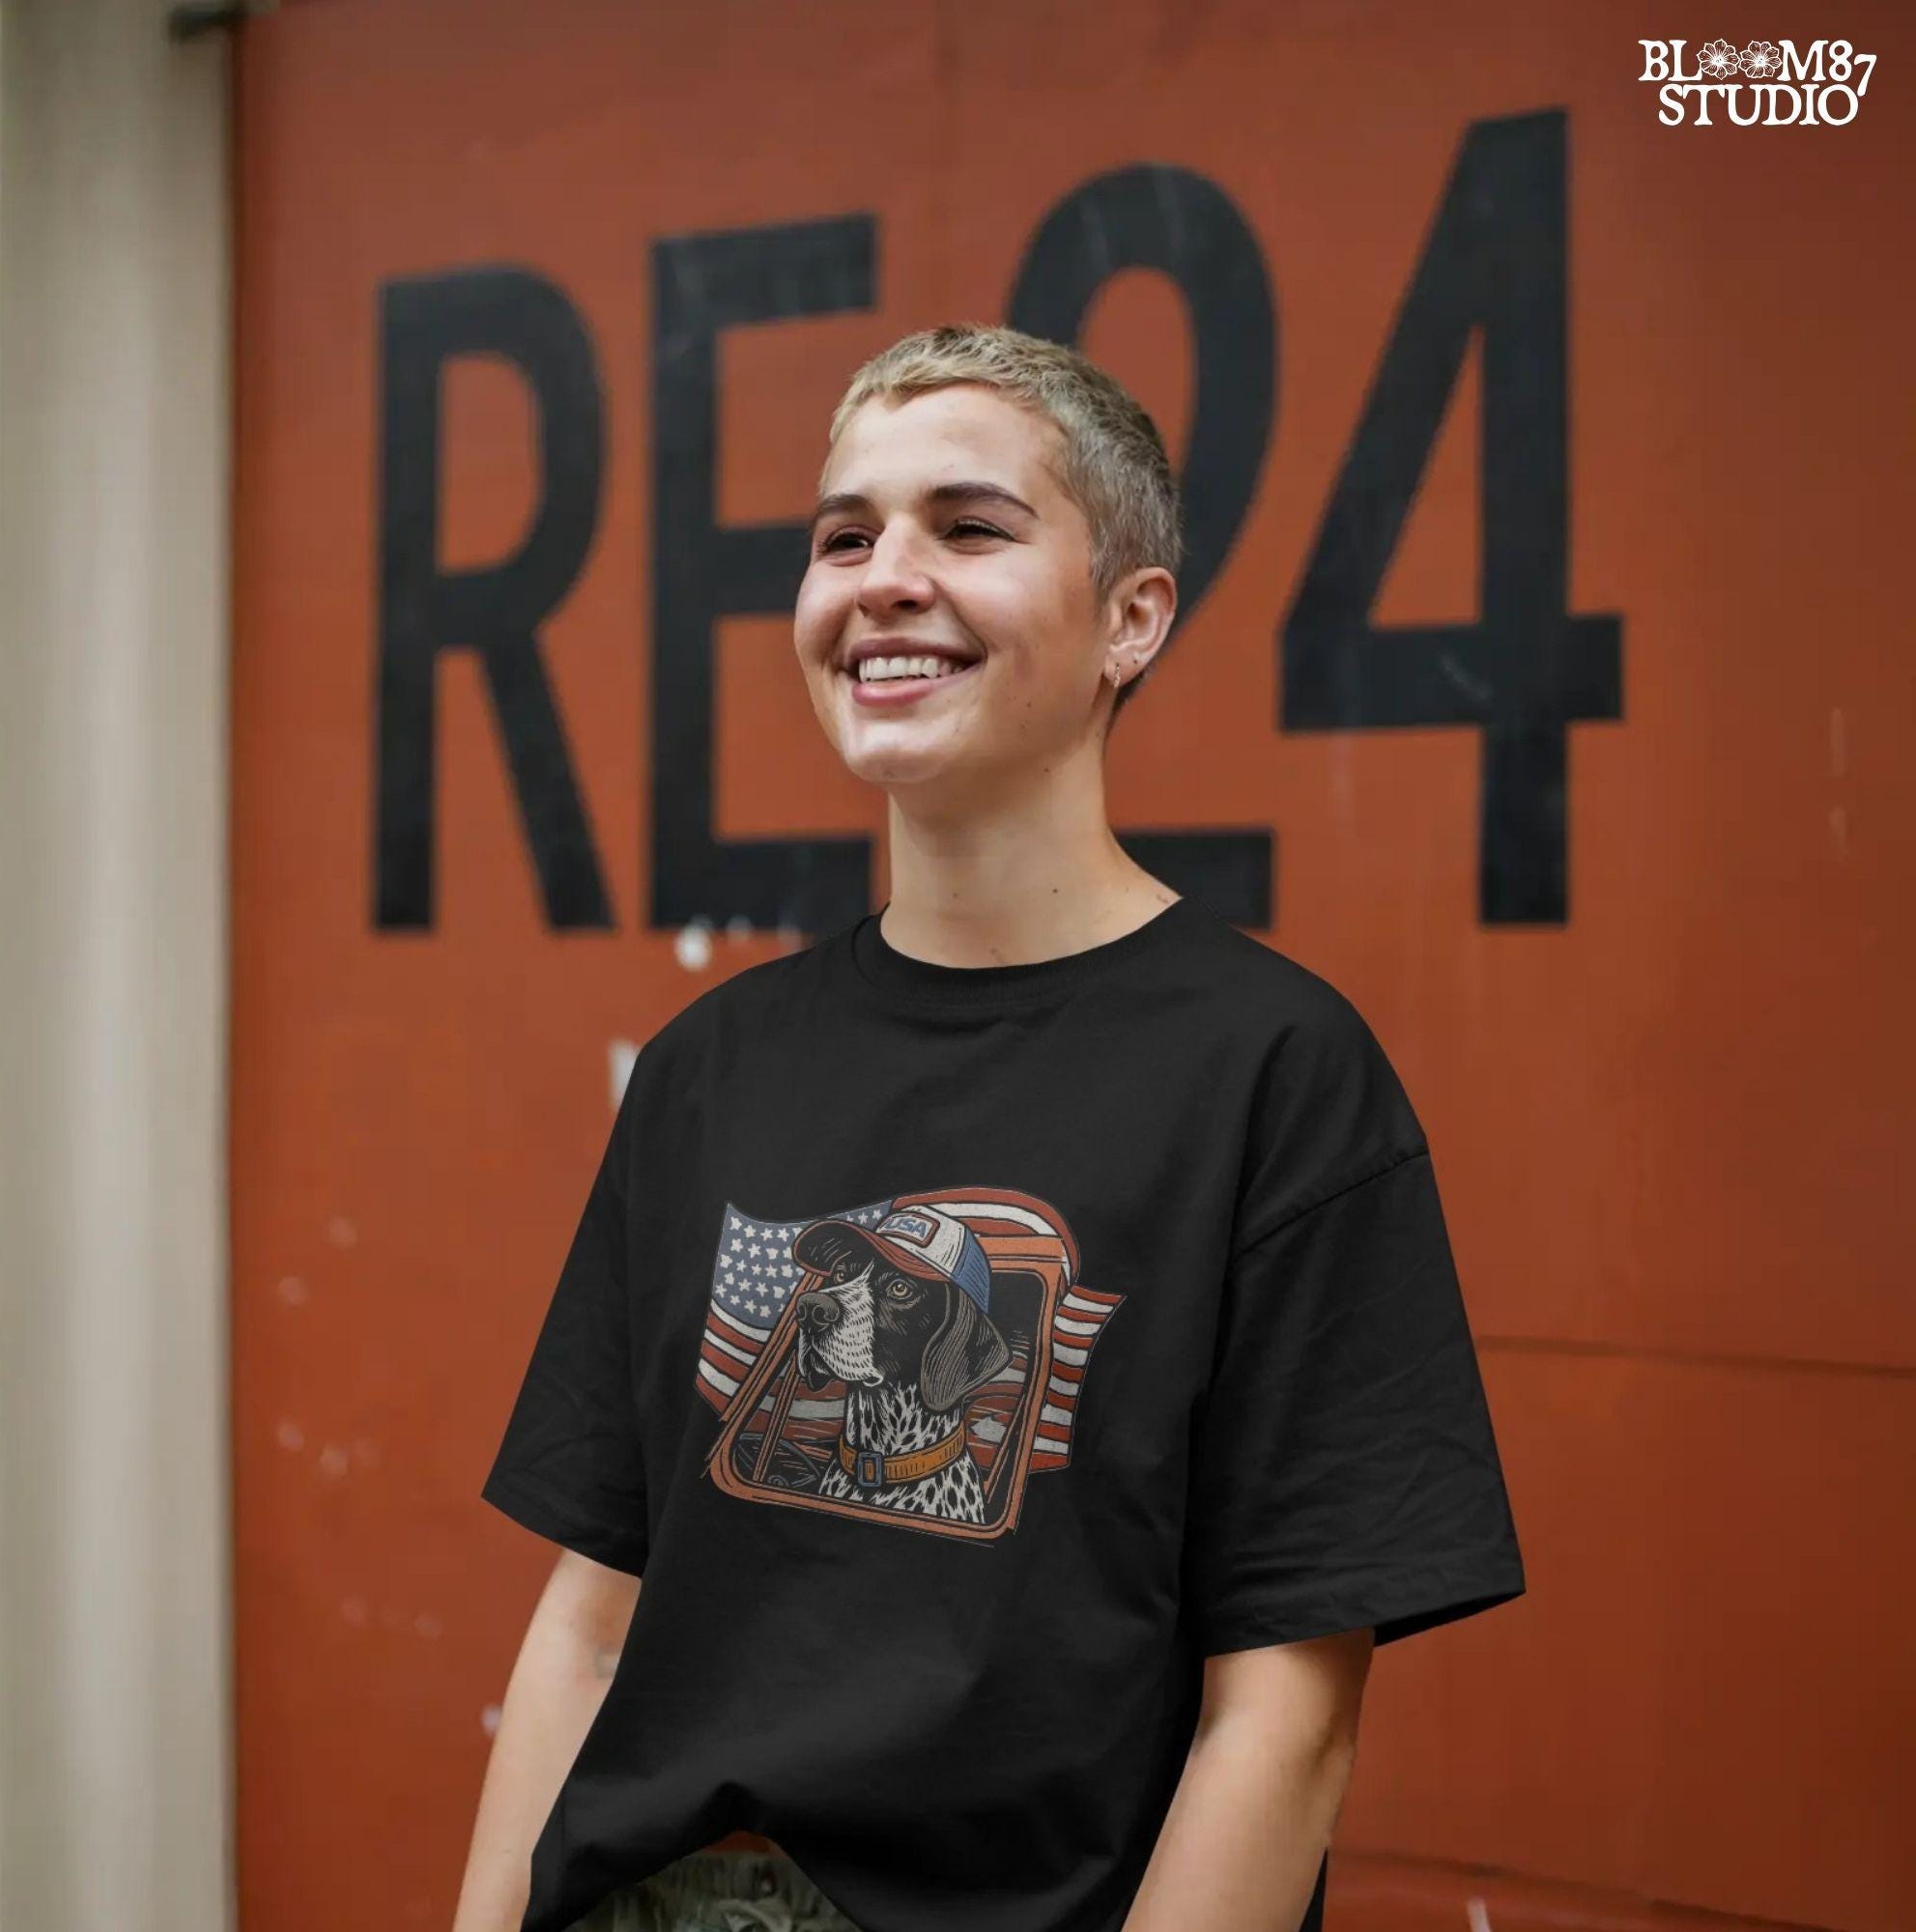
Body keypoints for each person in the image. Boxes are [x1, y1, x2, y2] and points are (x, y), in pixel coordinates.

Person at [452, 324, 1526, 1932]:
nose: (884, 577)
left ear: (1131, 620)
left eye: (969, 527)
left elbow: (1285, 1720)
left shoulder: (1275, 1076)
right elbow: (591, 1630)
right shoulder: (707, 1071)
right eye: (844, 535)